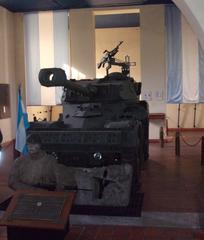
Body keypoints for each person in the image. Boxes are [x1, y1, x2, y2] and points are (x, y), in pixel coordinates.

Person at [8, 135, 76, 191]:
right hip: (23, 194)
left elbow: (62, 183)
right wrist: (34, 190)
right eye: (28, 144)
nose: (31, 146)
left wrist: (52, 194)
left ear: (40, 145)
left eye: (34, 144)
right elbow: (12, 182)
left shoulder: (50, 161)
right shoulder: (19, 161)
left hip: (46, 195)